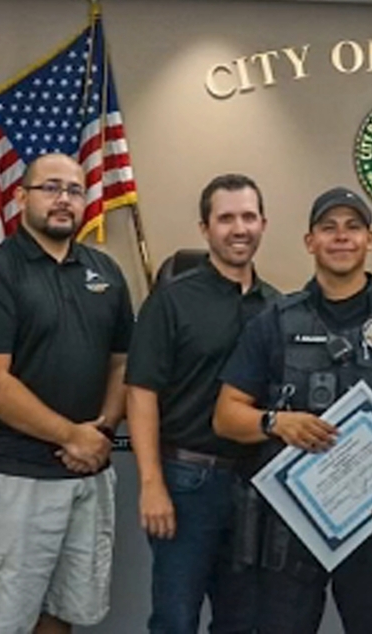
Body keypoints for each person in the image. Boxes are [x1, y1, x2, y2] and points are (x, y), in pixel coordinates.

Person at [213, 187, 372, 634]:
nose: (341, 238)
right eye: (328, 228)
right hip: (291, 526)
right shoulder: (274, 321)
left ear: (370, 239)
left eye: (353, 228)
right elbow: (226, 415)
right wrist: (276, 422)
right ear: (310, 242)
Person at [0, 152, 134, 634]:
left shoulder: (106, 272)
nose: (63, 200)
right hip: (14, 476)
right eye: (50, 188)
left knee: (65, 612)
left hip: (87, 473)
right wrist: (71, 435)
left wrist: (101, 430)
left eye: (74, 191)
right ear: (20, 197)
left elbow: (122, 361)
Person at [125, 174, 280, 633]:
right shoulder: (170, 301)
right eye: (226, 218)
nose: (239, 228)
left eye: (249, 217)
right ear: (204, 228)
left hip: (257, 484)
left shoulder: (279, 308)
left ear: (264, 224)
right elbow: (141, 393)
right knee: (175, 618)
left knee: (242, 620)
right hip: (187, 482)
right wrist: (151, 484)